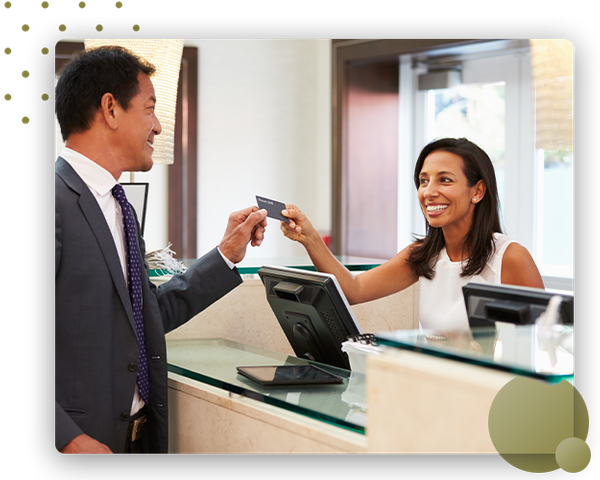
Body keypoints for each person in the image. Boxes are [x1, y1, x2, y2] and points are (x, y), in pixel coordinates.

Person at [55, 46, 268, 454]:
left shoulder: (121, 208)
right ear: (110, 110)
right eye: (150, 108)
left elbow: (145, 317)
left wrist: (225, 255)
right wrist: (68, 438)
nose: (157, 127)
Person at [281, 137, 544, 331]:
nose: (429, 192)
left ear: (477, 191)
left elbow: (543, 345)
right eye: (423, 180)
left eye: (445, 180)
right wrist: (310, 238)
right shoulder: (422, 255)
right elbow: (353, 290)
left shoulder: (510, 258)